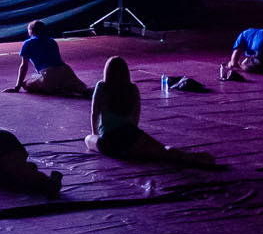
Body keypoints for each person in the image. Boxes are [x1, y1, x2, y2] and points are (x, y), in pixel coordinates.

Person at [88, 57, 216, 166]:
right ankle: (187, 156)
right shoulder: (132, 89)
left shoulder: (101, 86)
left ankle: (125, 150)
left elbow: (94, 113)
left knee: (88, 140)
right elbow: (135, 119)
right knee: (162, 151)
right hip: (130, 134)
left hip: (109, 139)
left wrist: (95, 134)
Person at [9, 21, 87, 96]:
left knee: (25, 84)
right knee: (82, 89)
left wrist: (17, 87)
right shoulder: (52, 41)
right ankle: (66, 87)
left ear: (31, 31)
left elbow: (23, 66)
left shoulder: (28, 43)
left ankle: (58, 88)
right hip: (66, 70)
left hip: (49, 73)